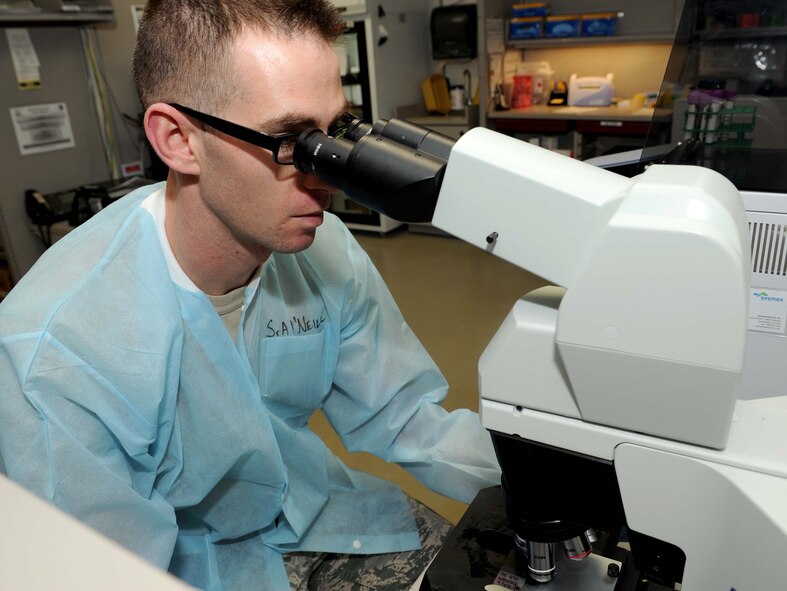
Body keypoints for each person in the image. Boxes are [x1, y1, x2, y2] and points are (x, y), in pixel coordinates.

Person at [0, 1, 500, 589]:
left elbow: (405, 418)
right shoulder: (56, 351)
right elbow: (102, 573)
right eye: (290, 139)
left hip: (321, 515)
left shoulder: (326, 250)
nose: (329, 176)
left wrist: (557, 477)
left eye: (334, 132)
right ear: (178, 139)